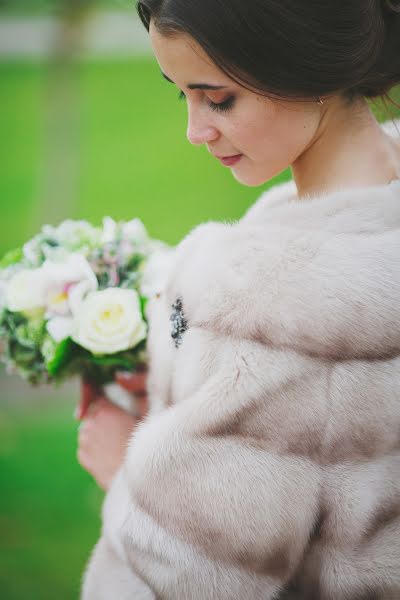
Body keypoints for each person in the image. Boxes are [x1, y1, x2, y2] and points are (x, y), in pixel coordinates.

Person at [78, 1, 400, 598]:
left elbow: (188, 577)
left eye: (217, 98)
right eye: (183, 96)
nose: (196, 131)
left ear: (308, 70)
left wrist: (125, 471)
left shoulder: (276, 303)